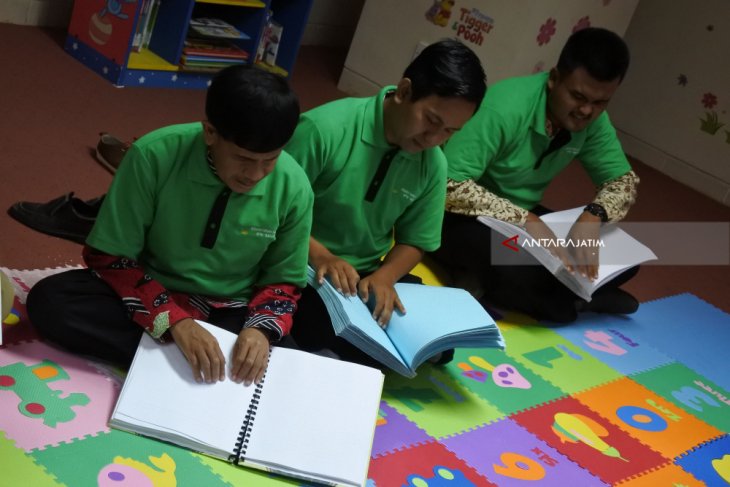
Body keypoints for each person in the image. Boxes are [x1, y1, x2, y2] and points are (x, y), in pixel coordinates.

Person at [27, 65, 313, 386]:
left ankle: (175, 358)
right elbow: (109, 258)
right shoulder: (153, 156)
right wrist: (175, 321)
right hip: (152, 291)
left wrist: (258, 330)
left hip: (230, 310)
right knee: (51, 302)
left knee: (290, 369)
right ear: (210, 133)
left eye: (270, 160)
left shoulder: (294, 186)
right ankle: (190, 359)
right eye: (244, 159)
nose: (256, 175)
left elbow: (283, 282)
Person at [286, 39, 487, 366]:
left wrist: (386, 276)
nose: (433, 139)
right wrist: (322, 255)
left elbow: (415, 241)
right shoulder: (326, 129)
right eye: (431, 121)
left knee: (438, 339)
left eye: (450, 131)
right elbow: (272, 211)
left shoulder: (432, 163)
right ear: (405, 91)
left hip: (365, 275)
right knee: (317, 327)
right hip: (302, 262)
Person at [431, 27, 640, 323]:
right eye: (578, 96)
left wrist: (592, 216)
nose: (586, 110)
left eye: (600, 102)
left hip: (522, 217)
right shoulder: (505, 107)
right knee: (516, 267)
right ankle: (576, 304)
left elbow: (623, 183)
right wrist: (526, 221)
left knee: (622, 255)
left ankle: (546, 292)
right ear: (554, 79)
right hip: (455, 216)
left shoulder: (593, 120)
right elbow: (447, 186)